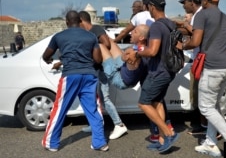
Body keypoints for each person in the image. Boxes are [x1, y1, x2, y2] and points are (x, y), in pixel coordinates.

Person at [176, 0, 226, 157]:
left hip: (212, 67)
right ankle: (210, 143)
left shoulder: (203, 14)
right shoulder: (225, 16)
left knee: (205, 107)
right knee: (214, 106)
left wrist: (182, 45)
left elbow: (196, 41)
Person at [41, 10, 108, 152]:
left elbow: (46, 55)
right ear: (79, 21)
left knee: (59, 109)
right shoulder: (91, 36)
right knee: (93, 110)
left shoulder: (59, 36)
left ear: (66, 22)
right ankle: (100, 143)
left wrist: (49, 60)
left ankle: (51, 143)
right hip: (89, 76)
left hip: (70, 75)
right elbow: (98, 59)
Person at [127, 0, 180, 153]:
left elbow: (152, 51)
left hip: (159, 71)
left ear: (151, 7)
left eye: (147, 6)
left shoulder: (157, 26)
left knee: (143, 103)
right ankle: (163, 140)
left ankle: (168, 133)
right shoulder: (170, 24)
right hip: (169, 70)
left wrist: (137, 53)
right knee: (157, 102)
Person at [78, 10, 128, 139]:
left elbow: (105, 43)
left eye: (78, 23)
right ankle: (96, 124)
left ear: (82, 21)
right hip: (99, 69)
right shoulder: (90, 32)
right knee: (96, 98)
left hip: (104, 68)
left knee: (104, 98)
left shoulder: (96, 29)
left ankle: (119, 125)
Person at [178, 0, 208, 135]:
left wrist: (182, 46)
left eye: (184, 3)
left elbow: (196, 40)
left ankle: (206, 128)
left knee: (201, 96)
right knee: (198, 95)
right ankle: (203, 125)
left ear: (192, 2)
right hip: (199, 59)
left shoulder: (200, 15)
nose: (184, 6)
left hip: (202, 61)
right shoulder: (199, 14)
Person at [100, 24, 149, 89]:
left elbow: (126, 56)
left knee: (100, 46)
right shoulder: (144, 48)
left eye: (135, 31)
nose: (131, 32)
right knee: (108, 40)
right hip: (123, 67)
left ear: (141, 38)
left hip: (120, 79)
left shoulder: (137, 51)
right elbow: (124, 56)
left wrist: (126, 54)